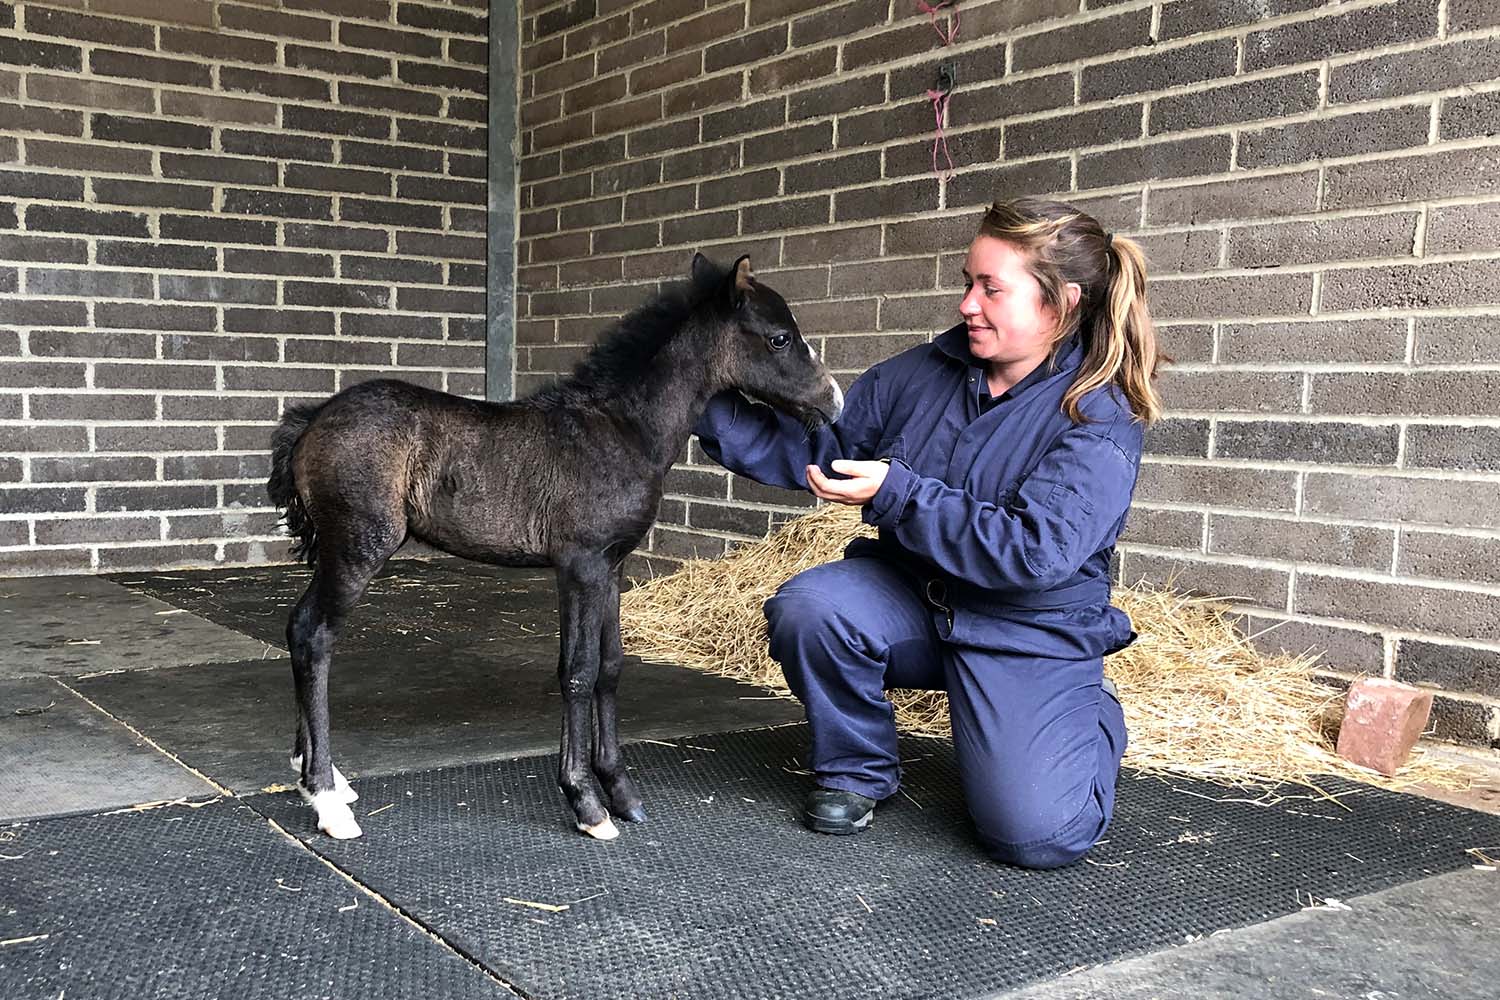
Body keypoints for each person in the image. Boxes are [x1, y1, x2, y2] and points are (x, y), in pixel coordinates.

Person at [692, 197, 1164, 869]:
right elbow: (823, 448)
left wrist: (900, 492)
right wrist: (691, 395)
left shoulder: (1097, 414)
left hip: (1023, 628)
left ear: (1060, 303)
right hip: (917, 598)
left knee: (1033, 837)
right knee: (813, 609)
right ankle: (856, 768)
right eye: (969, 281)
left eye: (991, 288)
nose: (968, 304)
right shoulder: (920, 374)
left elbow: (1035, 552)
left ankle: (1083, 711)